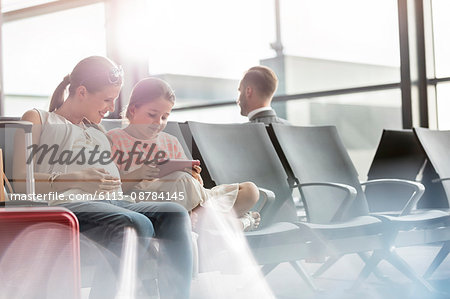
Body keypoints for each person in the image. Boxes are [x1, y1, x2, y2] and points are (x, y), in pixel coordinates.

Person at [12, 56, 192, 299]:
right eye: (107, 100)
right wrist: (76, 179)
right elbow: (20, 181)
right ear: (82, 92)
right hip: (64, 204)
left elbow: (117, 180)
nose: (110, 107)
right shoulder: (38, 118)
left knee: (174, 214)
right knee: (136, 224)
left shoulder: (98, 131)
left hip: (113, 202)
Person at [106, 77, 261, 231]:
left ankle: (203, 221)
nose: (158, 122)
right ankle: (239, 222)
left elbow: (194, 189)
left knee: (250, 190)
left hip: (191, 201)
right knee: (179, 180)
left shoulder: (170, 141)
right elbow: (112, 191)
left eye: (164, 117)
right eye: (152, 115)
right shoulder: (114, 140)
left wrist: (194, 175)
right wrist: (141, 172)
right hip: (148, 202)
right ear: (133, 110)